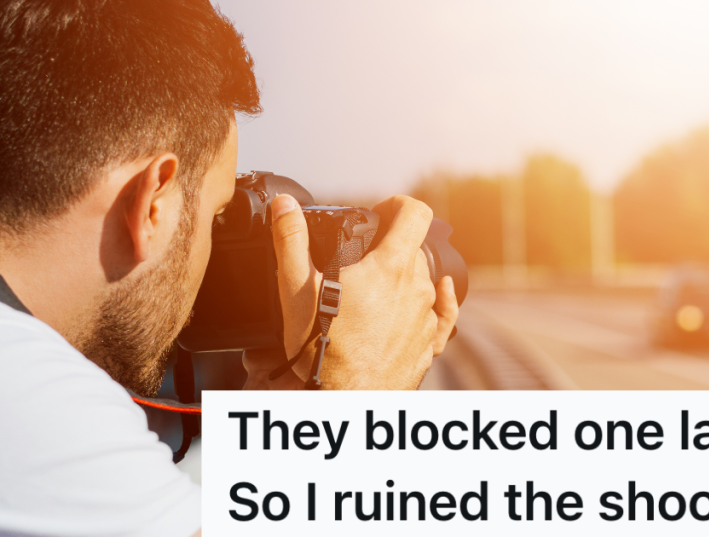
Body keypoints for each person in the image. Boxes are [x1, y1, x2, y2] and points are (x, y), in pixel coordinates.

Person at [0, 0, 458, 535]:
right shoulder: (38, 402)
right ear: (153, 200)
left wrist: (283, 434)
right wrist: (354, 407)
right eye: (216, 214)